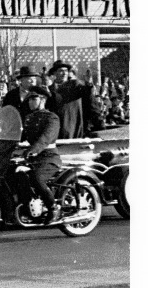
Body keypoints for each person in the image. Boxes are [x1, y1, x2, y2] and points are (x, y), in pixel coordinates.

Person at [21, 86, 62, 225]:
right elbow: (19, 136)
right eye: (29, 99)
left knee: (37, 178)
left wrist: (34, 149)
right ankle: (28, 208)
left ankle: (53, 208)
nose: (30, 102)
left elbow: (46, 137)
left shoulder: (52, 117)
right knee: (16, 175)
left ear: (43, 99)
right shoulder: (29, 119)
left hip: (49, 157)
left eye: (34, 98)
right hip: (33, 157)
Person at [46, 60, 95, 139]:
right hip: (57, 126)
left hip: (74, 124)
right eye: (61, 71)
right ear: (54, 73)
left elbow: (88, 97)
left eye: (66, 71)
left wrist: (89, 84)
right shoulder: (49, 89)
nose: (64, 73)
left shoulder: (75, 85)